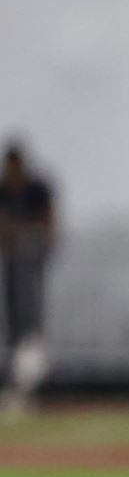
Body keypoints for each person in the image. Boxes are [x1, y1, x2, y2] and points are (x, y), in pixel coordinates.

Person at [0, 142, 55, 413]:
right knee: (14, 330)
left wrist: (29, 240)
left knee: (31, 329)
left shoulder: (38, 190)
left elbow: (49, 227)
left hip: (31, 266)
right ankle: (17, 385)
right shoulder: (4, 190)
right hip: (10, 268)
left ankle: (28, 386)